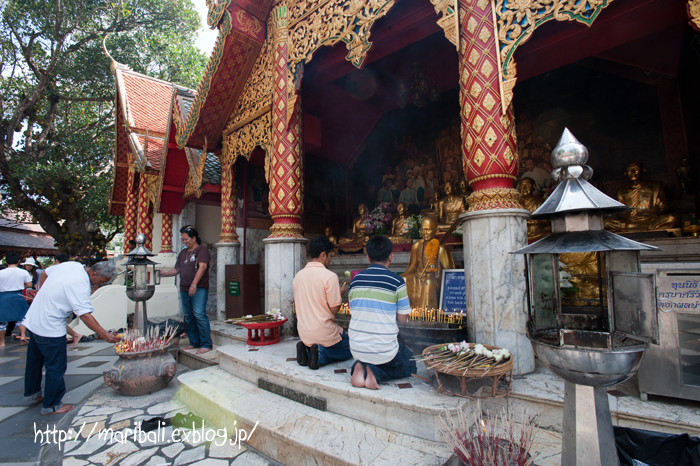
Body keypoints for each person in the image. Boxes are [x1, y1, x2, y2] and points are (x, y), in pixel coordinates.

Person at [23, 261, 120, 414]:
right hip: (50, 328)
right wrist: (105, 334)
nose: (100, 285)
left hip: (33, 320)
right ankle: (52, 404)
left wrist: (41, 294)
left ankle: (32, 394)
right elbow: (85, 315)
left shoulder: (72, 265)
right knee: (56, 365)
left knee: (34, 361)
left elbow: (44, 273)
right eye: (101, 282)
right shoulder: (81, 284)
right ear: (94, 274)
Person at [348, 236, 416, 390]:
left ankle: (359, 366)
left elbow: (354, 311)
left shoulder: (356, 280)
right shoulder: (397, 281)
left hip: (356, 348)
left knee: (369, 351)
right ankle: (375, 372)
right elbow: (403, 319)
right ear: (391, 256)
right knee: (409, 363)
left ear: (368, 257)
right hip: (384, 350)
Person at [293, 236, 351, 370]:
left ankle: (307, 349)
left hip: (304, 332)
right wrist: (339, 294)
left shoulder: (298, 276)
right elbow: (334, 309)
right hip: (323, 333)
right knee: (348, 348)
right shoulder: (329, 276)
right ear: (323, 255)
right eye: (330, 256)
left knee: (331, 339)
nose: (330, 260)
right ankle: (320, 354)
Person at [161, 228, 212, 354]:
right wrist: (166, 274)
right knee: (189, 316)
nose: (185, 241)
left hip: (198, 288)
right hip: (184, 287)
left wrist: (194, 285)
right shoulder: (183, 253)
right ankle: (194, 342)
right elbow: (177, 269)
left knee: (199, 314)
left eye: (186, 239)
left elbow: (203, 266)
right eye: (183, 239)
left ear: (194, 238)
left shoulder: (201, 250)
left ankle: (206, 343)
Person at [0, 252, 33, 347]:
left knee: (2, 321)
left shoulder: (1, 272)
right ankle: (23, 336)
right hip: (18, 295)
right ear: (19, 261)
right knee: (21, 318)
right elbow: (29, 285)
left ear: (6, 261)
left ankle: (2, 342)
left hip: (3, 297)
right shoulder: (23, 272)